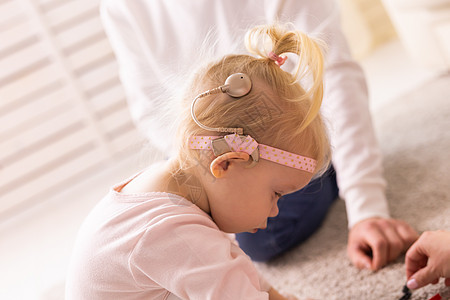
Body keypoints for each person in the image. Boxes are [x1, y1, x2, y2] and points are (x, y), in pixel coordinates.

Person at [99, 0, 419, 270]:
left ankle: (315, 165)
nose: (274, 207)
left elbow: (334, 74)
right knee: (234, 228)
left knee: (256, 233)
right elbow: (149, 108)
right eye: (276, 196)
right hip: (209, 150)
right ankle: (302, 173)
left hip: (279, 142)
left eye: (278, 195)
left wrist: (366, 206)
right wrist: (200, 170)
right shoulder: (122, 7)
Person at [66, 23, 329, 299]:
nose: (275, 211)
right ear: (226, 163)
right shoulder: (172, 232)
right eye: (276, 194)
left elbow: (239, 276)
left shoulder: (169, 191)